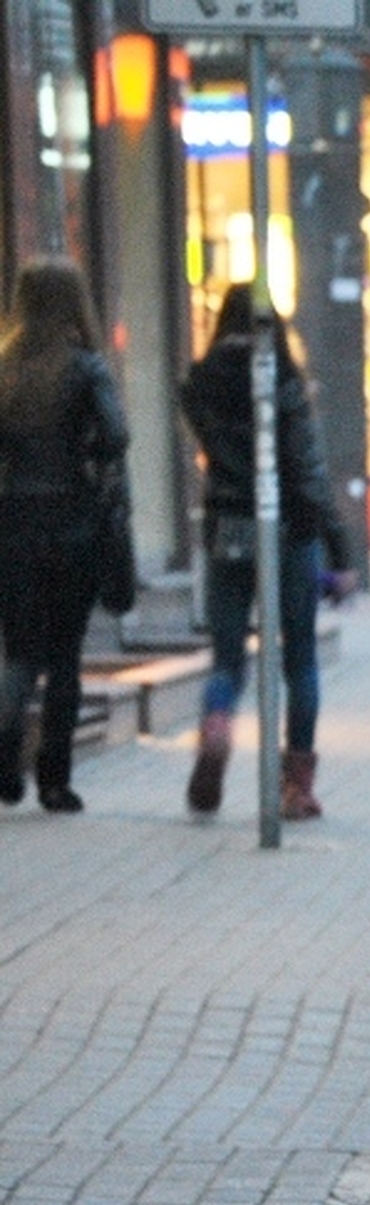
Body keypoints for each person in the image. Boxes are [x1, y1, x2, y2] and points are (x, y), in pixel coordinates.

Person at [179, 284, 349, 821]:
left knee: (228, 655)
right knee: (299, 658)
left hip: (228, 526)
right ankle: (296, 787)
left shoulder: (201, 382)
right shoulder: (281, 378)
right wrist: (340, 546)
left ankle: (217, 722)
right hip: (288, 533)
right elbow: (308, 469)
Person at [0, 259, 131, 815]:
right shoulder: (85, 367)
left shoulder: (4, 368)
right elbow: (117, 435)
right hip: (73, 525)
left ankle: (5, 766)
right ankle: (54, 779)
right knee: (65, 656)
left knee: (18, 653)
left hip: (12, 524)